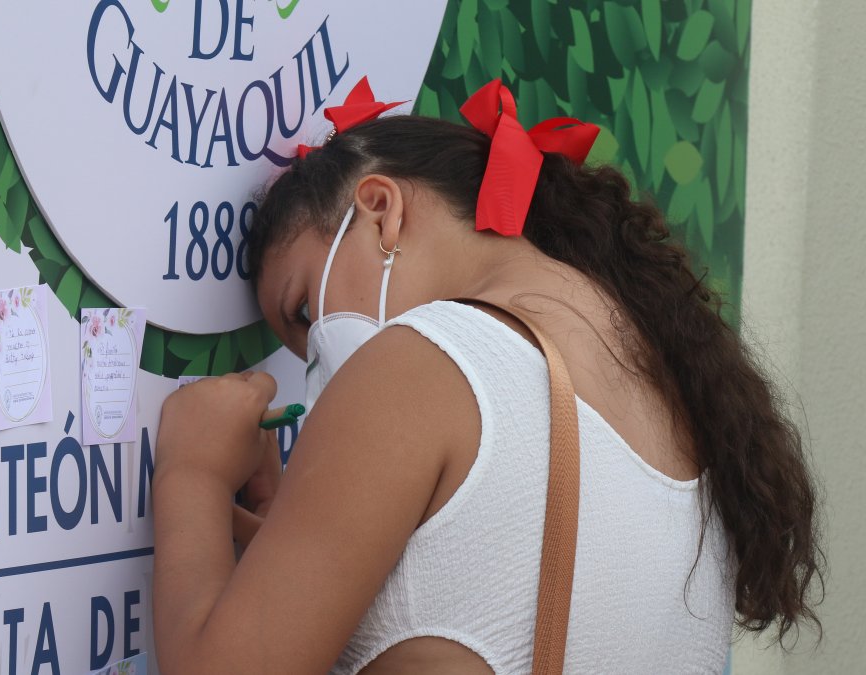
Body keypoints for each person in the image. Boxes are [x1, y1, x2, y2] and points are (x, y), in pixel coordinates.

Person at [150, 78, 822, 674]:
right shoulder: (665, 375)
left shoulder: (420, 367)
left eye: (301, 310)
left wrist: (195, 471)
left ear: (382, 209)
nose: (313, 354)